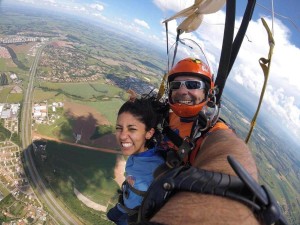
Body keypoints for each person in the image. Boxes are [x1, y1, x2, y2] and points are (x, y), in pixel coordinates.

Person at [137, 58, 267, 225]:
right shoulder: (168, 114)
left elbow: (228, 148)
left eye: (192, 85)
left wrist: (230, 193)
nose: (182, 91)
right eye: (176, 85)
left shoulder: (212, 130)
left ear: (208, 92)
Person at [107, 97, 165, 225]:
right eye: (119, 128)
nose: (122, 136)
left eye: (132, 129)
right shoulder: (138, 154)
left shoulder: (157, 169)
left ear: (149, 133)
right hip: (125, 206)